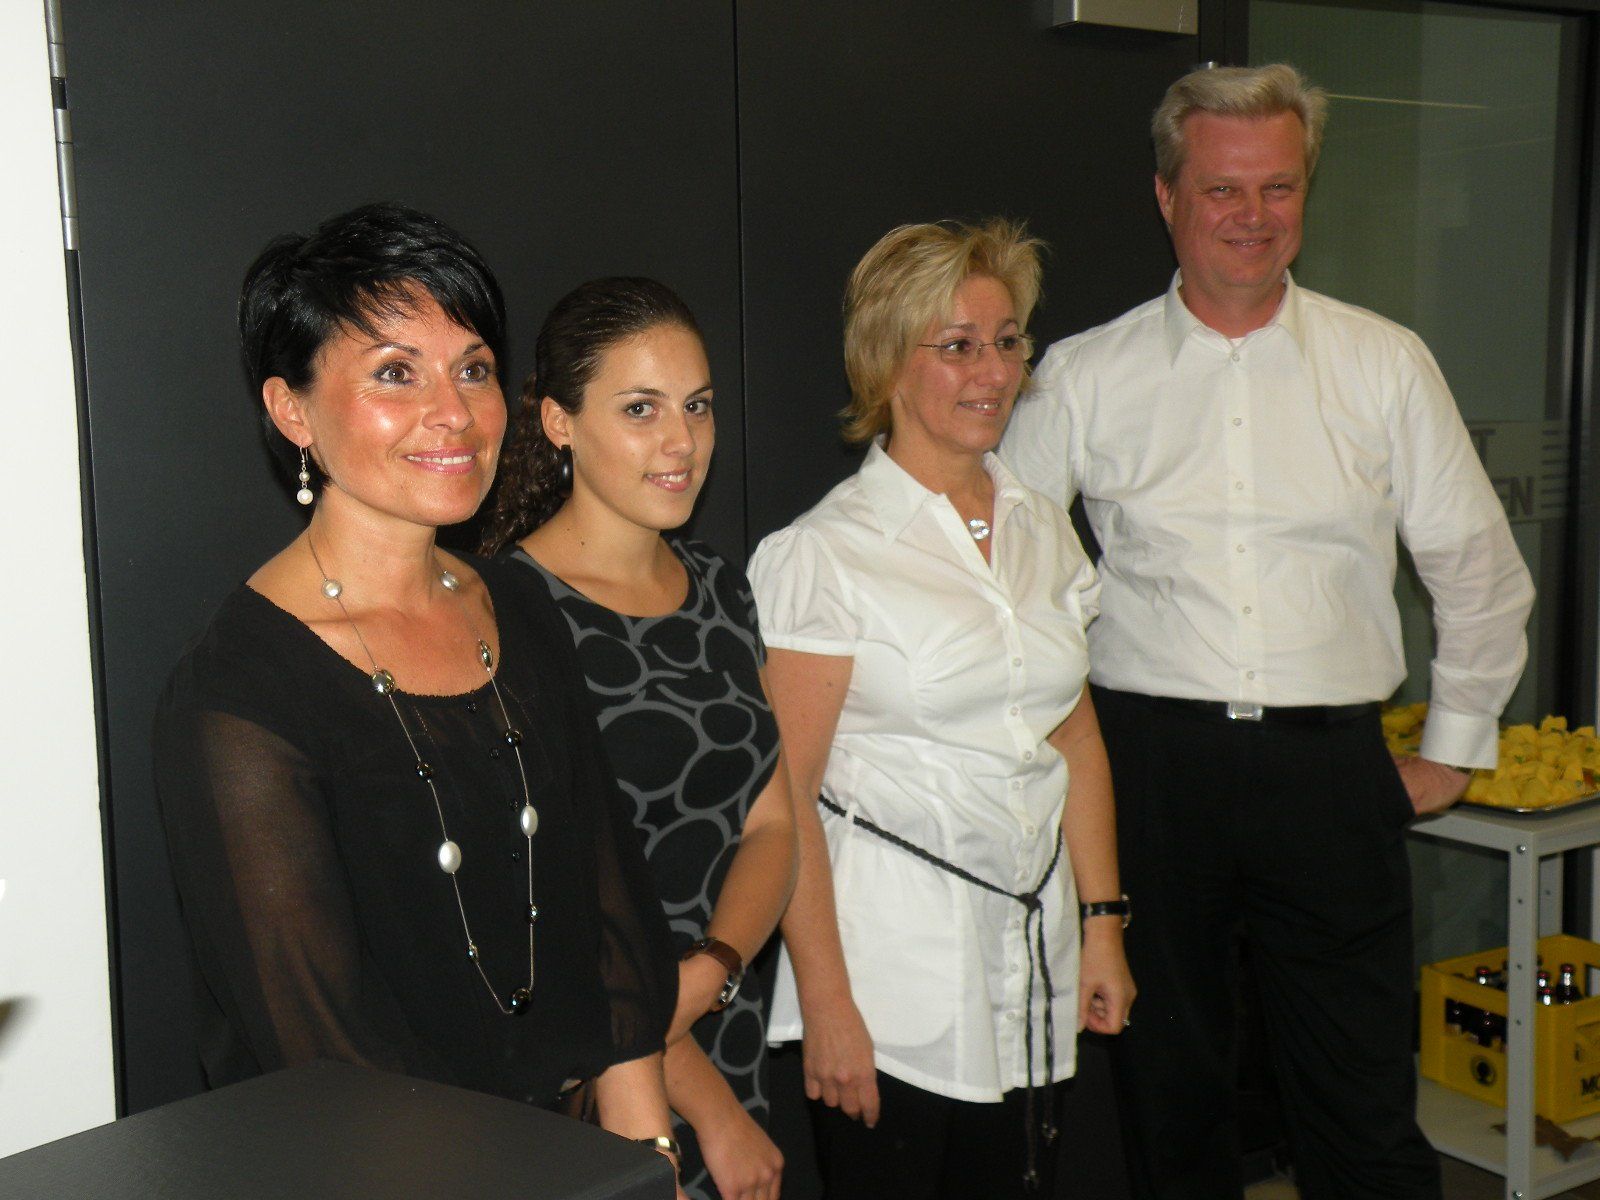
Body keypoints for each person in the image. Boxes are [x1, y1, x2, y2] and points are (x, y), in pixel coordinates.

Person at [1001, 64, 1536, 1200]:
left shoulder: (1383, 363)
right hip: (1149, 774)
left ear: (1305, 192)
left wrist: (1453, 747)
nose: (1252, 215)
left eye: (1278, 187)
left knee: (1361, 1109)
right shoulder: (1083, 376)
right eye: (1222, 189)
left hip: (1328, 774)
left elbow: (1480, 571)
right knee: (1171, 1102)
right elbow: (1004, 578)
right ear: (1166, 197)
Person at [153, 204, 685, 1190]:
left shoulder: (517, 602)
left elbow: (605, 896)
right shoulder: (239, 693)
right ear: (293, 411)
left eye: (473, 369)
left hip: (581, 1164)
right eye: (396, 373)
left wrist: (652, 1158)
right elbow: (322, 1055)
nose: (455, 413)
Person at [749, 219, 1135, 1200]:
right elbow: (786, 799)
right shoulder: (825, 553)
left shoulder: (1044, 527)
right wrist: (826, 1004)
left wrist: (1102, 923)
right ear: (885, 363)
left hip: (1035, 957)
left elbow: (1072, 733)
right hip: (891, 983)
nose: (994, 371)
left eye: (1007, 341)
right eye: (958, 345)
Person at [479, 277, 798, 1200]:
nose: (682, 441)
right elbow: (549, 910)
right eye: (640, 409)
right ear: (559, 423)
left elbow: (774, 823)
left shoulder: (721, 586)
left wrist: (712, 973)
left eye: (697, 406)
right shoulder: (507, 612)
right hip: (603, 1062)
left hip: (719, 1018)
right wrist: (707, 1102)